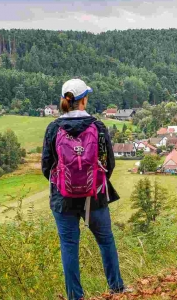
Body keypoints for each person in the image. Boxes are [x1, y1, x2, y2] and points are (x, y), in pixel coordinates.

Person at [41, 79, 126, 300]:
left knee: (69, 246)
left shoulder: (53, 128)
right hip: (95, 196)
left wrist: (64, 184)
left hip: (63, 199)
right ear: (84, 100)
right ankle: (117, 289)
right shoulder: (97, 126)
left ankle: (75, 296)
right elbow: (109, 165)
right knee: (106, 240)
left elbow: (46, 166)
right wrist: (94, 181)